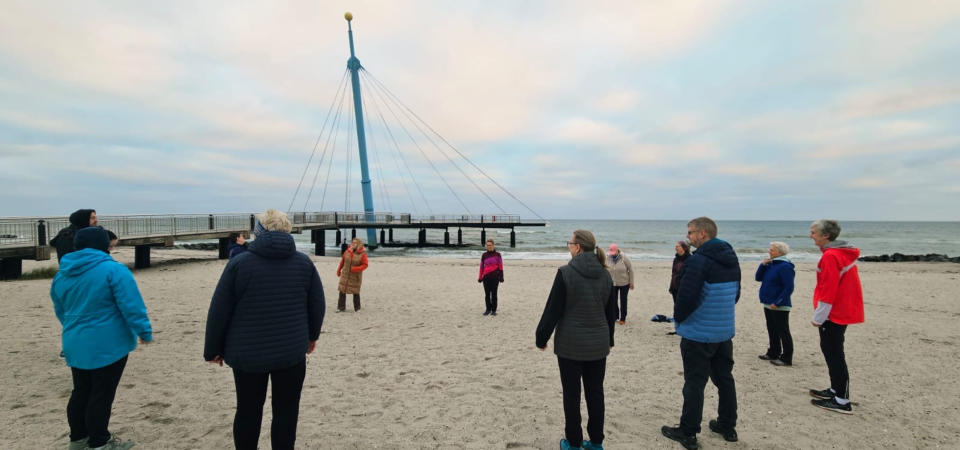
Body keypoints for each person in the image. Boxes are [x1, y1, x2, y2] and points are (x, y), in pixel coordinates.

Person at [204, 209, 325, 449]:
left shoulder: (240, 263)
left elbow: (219, 310)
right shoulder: (303, 263)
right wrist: (312, 336)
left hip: (248, 354)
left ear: (258, 232)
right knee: (286, 412)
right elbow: (317, 305)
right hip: (291, 352)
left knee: (248, 411)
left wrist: (213, 349)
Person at [50, 227, 153, 450]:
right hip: (108, 344)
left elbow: (60, 309)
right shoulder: (114, 270)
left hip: (75, 341)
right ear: (104, 245)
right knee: (101, 394)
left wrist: (74, 328)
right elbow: (131, 305)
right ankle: (99, 442)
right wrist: (144, 331)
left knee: (81, 391)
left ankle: (78, 439)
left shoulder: (62, 273)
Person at [661, 217, 740, 449]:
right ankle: (727, 425)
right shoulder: (731, 258)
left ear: (702, 234)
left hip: (699, 332)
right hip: (723, 330)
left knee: (695, 382)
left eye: (690, 232)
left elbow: (686, 297)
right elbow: (736, 294)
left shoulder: (698, 261)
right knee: (724, 379)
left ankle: (688, 431)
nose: (688, 237)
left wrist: (679, 320)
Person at [536, 230, 617, 450]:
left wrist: (541, 338)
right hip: (598, 344)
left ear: (578, 247)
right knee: (595, 393)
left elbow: (552, 310)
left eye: (569, 243)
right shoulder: (605, 275)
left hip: (570, 346)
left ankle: (573, 443)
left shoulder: (565, 273)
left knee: (572, 395)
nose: (569, 246)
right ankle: (597, 442)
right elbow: (611, 313)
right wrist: (610, 339)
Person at [808, 219, 864, 414]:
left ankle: (842, 400)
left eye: (813, 232)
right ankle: (835, 390)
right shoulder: (838, 253)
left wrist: (819, 317)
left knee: (834, 354)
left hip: (835, 313)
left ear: (826, 235)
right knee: (830, 350)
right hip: (840, 310)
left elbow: (828, 288)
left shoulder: (831, 256)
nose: (811, 236)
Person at [756, 241, 795, 367]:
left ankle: (786, 358)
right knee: (772, 329)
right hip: (768, 303)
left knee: (783, 331)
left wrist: (778, 302)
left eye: (772, 250)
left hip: (779, 305)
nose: (769, 251)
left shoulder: (785, 266)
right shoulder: (771, 264)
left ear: (779, 252)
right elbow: (758, 278)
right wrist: (762, 265)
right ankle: (773, 352)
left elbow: (789, 287)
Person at [336, 237, 369, 312]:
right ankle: (341, 308)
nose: (353, 244)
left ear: (359, 244)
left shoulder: (362, 254)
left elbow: (365, 265)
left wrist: (355, 269)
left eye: (355, 243)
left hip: (355, 276)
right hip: (345, 274)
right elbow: (342, 261)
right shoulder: (347, 251)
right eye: (352, 242)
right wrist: (338, 270)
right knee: (342, 290)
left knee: (355, 291)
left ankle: (357, 308)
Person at [605, 243, 634, 325]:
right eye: (611, 253)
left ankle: (623, 318)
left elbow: (630, 270)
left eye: (614, 253)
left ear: (618, 250)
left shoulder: (624, 258)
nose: (613, 254)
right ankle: (615, 316)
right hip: (613, 283)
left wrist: (631, 282)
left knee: (623, 301)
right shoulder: (607, 258)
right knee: (613, 301)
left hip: (624, 283)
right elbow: (604, 269)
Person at [478, 238, 504, 316]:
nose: (489, 246)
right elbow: (481, 267)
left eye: (490, 245)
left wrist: (501, 277)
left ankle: (494, 310)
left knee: (494, 294)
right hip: (486, 278)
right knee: (487, 295)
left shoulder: (498, 255)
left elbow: (500, 266)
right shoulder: (484, 255)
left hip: (495, 278)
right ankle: (488, 309)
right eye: (487, 245)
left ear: (493, 245)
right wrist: (480, 277)